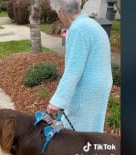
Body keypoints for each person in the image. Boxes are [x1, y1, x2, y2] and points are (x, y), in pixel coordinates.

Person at [46, 0, 113, 132]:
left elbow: (73, 70)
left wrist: (57, 101)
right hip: (101, 84)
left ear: (61, 12)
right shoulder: (92, 24)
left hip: (88, 88)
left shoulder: (78, 29)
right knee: (93, 127)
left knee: (76, 131)